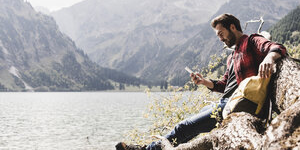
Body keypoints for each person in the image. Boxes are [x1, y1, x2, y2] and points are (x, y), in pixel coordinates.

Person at [116, 14, 287, 150]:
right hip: (225, 102)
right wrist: (204, 82)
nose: (220, 38)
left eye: (221, 33)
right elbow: (223, 85)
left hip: (239, 105)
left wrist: (269, 58)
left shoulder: (251, 41)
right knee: (189, 129)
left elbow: (277, 47)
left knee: (184, 127)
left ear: (232, 27)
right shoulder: (232, 57)